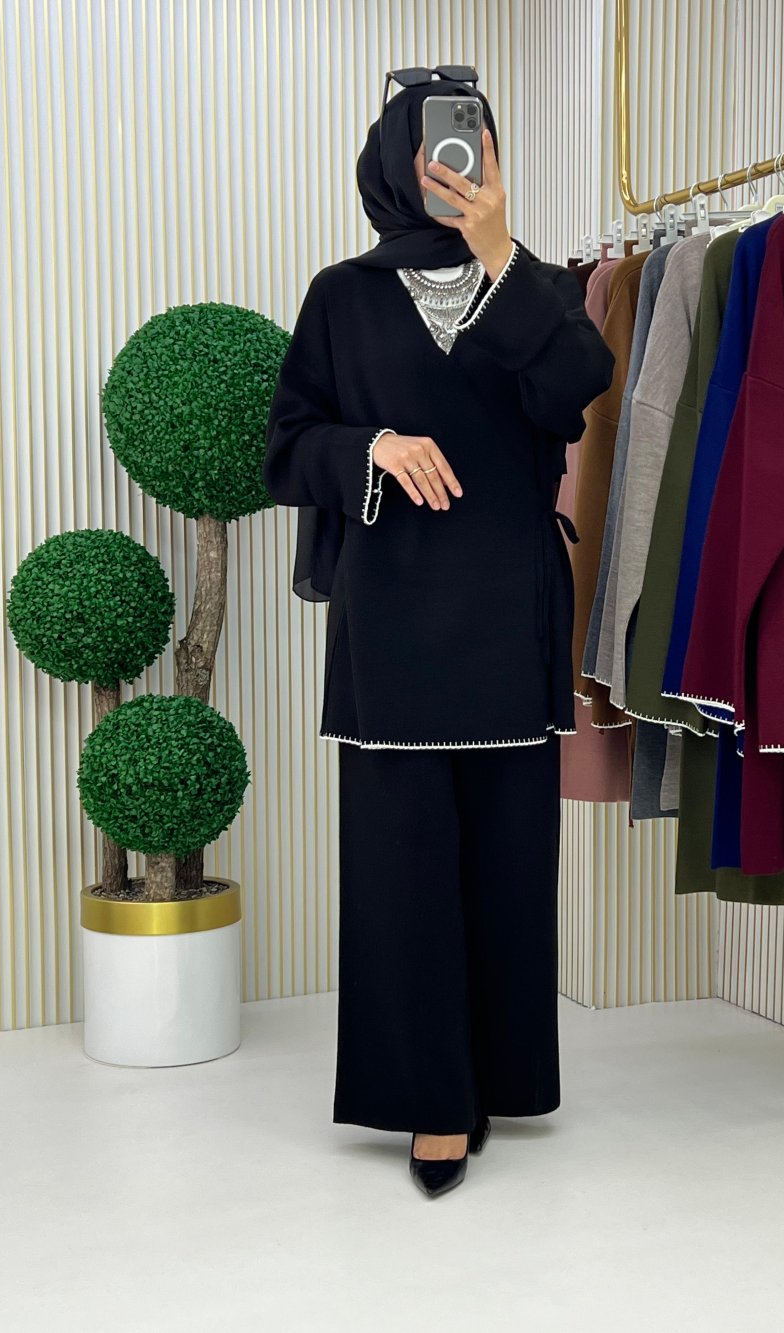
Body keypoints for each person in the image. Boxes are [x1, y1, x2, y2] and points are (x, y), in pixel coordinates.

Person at [263, 67, 615, 1198]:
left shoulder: (541, 284)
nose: (450, 164)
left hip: (509, 614)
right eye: (428, 146)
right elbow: (286, 448)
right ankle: (430, 1101)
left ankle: (497, 1079)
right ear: (391, 161)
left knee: (509, 863)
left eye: (467, 143)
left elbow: (577, 387)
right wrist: (368, 443)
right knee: (402, 868)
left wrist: (503, 255)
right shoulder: (341, 297)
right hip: (394, 626)